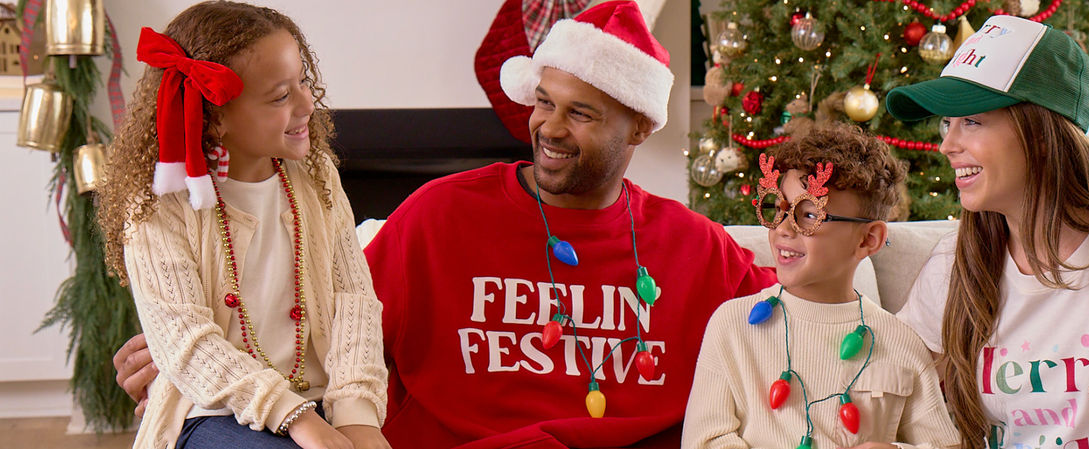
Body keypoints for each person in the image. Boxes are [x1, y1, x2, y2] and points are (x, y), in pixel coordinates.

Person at [115, 1, 775, 448]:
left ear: (640, 125)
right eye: (543, 102)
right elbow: (332, 315)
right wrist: (187, 348)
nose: (546, 126)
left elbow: (795, 314)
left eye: (581, 114)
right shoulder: (441, 215)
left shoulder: (698, 249)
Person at [885, 15, 1089, 449]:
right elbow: (884, 380)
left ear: (1041, 134)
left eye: (971, 121)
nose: (948, 145)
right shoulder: (956, 262)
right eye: (946, 124)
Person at [97, 2, 388, 448]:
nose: (308, 103)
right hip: (214, 412)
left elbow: (354, 302)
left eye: (304, 82)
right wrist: (301, 421)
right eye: (280, 96)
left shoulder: (316, 176)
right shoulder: (158, 206)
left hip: (319, 402)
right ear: (214, 118)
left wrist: (357, 418)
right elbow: (189, 345)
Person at [683, 122, 960, 449]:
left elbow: (946, 444)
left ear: (868, 240)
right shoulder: (732, 325)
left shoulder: (900, 342)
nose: (784, 229)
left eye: (810, 215)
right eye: (779, 208)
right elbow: (706, 440)